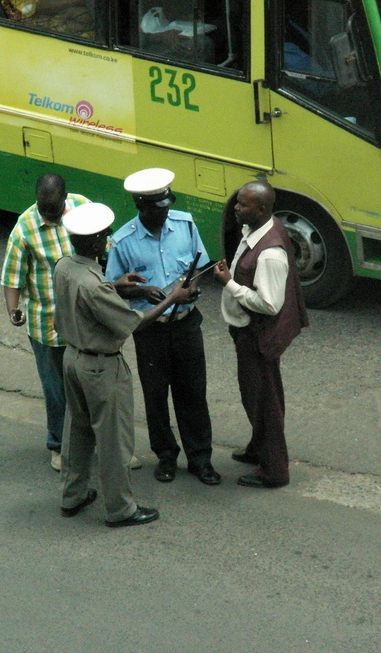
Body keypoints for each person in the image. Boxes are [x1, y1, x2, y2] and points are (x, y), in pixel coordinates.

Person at [54, 202, 194, 527]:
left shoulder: (65, 266)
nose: (107, 240)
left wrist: (118, 287)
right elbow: (136, 323)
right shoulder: (93, 284)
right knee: (113, 439)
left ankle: (72, 496)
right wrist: (173, 297)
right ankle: (120, 509)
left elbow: (90, 295)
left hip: (72, 359)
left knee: (76, 432)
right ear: (93, 242)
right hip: (100, 368)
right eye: (104, 236)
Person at [105, 168, 221, 486]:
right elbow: (113, 287)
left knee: (194, 393)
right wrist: (142, 291)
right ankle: (166, 455)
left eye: (167, 206)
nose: (165, 213)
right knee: (156, 395)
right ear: (141, 206)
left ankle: (201, 459)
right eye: (158, 209)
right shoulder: (123, 241)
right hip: (151, 330)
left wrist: (192, 287)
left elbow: (200, 266)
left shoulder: (184, 225)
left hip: (186, 324)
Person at [213, 181, 309, 488]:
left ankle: (274, 471)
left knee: (263, 402)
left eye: (243, 205)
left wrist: (230, 283)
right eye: (238, 203)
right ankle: (259, 449)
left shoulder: (269, 255)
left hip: (258, 337)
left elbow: (268, 303)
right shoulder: (265, 227)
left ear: (263, 210)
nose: (236, 208)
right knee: (257, 395)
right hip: (251, 332)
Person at [1, 173, 86, 473]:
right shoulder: (25, 228)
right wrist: (14, 310)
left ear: (65, 200)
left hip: (86, 323)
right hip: (46, 327)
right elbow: (12, 277)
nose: (47, 213)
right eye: (42, 206)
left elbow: (106, 248)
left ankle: (99, 443)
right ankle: (58, 446)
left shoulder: (82, 209)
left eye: (53, 208)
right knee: (56, 392)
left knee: (92, 387)